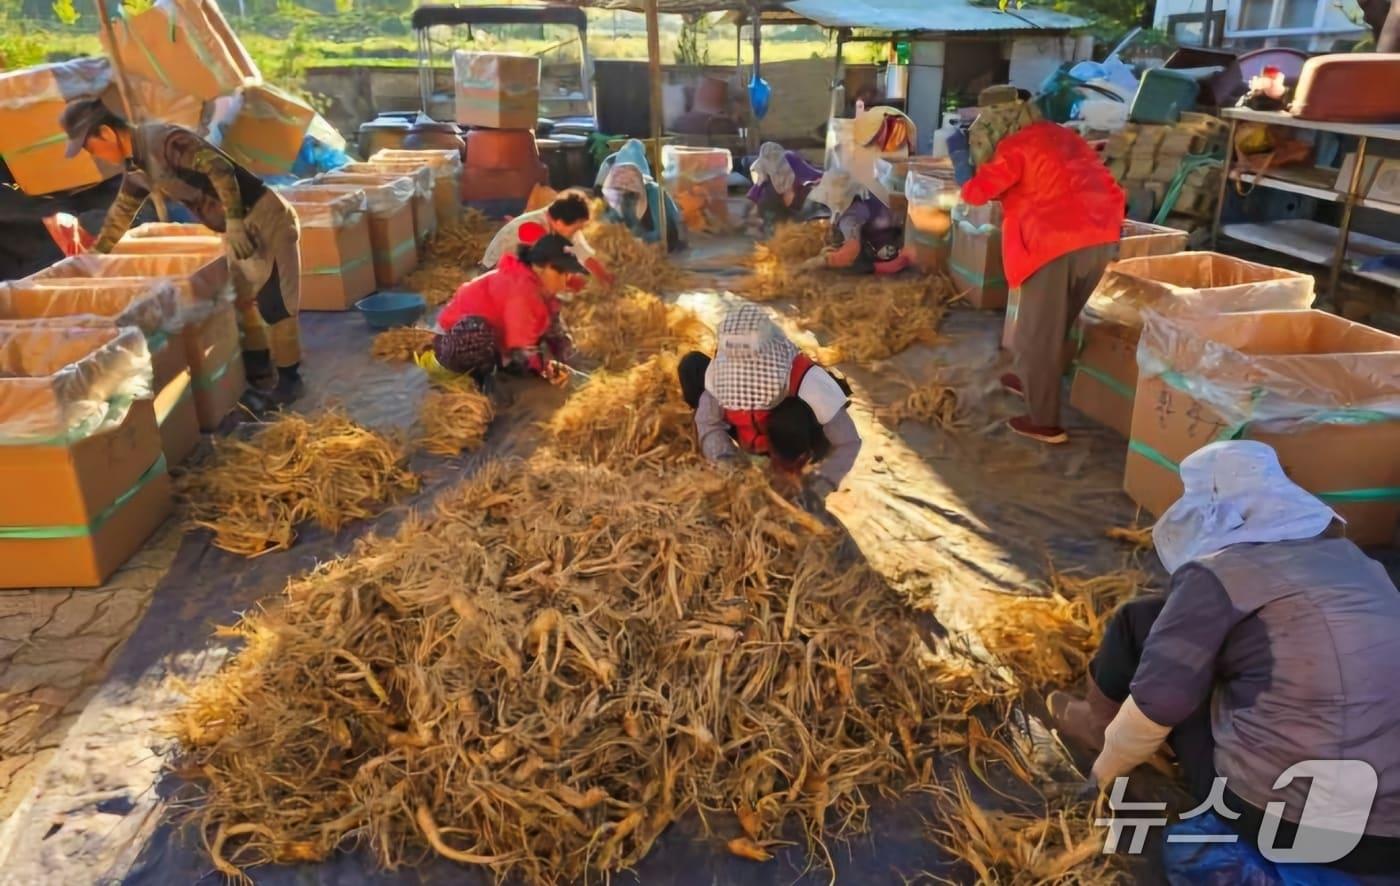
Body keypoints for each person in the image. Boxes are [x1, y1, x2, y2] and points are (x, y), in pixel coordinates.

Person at [1049, 441, 1400, 875]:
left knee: (1155, 652)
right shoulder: (1358, 563)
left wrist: (1100, 777)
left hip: (1286, 820)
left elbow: (1156, 709)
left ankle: (1096, 726)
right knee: (1154, 622)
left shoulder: (1218, 575)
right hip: (1391, 835)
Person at [61, 97, 304, 411]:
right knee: (244, 300)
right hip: (235, 227)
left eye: (90, 148)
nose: (95, 156)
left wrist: (233, 221)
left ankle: (290, 382)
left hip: (261, 217)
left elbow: (220, 168)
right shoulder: (136, 166)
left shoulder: (165, 142)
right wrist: (94, 258)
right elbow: (122, 212)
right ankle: (260, 375)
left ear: (106, 133)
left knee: (274, 303)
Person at [951, 86, 1124, 445]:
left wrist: (962, 168)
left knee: (1034, 335)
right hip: (1103, 237)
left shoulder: (1015, 147)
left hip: (1054, 243)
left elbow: (978, 192)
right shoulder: (1063, 135)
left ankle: (1045, 422)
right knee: (1056, 324)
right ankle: (1032, 380)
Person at [679, 305, 860, 505]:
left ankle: (788, 472)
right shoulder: (720, 375)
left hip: (791, 439)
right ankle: (735, 453)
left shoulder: (807, 378)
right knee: (692, 366)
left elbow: (848, 442)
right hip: (746, 434)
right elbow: (709, 422)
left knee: (789, 420)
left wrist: (823, 481)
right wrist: (724, 460)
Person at [433, 233, 586, 387]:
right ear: (542, 267)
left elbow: (554, 331)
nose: (566, 280)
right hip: (452, 340)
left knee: (543, 330)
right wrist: (542, 369)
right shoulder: (520, 290)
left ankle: (502, 367)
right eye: (562, 273)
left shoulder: (542, 290)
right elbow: (521, 346)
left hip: (496, 341)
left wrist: (565, 357)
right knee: (479, 332)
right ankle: (481, 382)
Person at [479, 190, 614, 286]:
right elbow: (538, 270)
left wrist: (603, 277)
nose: (578, 232)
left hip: (520, 271)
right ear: (560, 223)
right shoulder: (532, 228)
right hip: (494, 273)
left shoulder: (562, 222)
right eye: (576, 228)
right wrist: (569, 282)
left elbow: (582, 252)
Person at [801, 168, 910, 275]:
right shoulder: (866, 196)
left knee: (846, 267)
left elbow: (850, 253)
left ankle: (875, 267)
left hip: (889, 257)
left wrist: (824, 261)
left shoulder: (849, 219)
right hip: (898, 234)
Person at [595, 139, 685, 251]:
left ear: (643, 181)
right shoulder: (609, 199)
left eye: (632, 174)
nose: (626, 181)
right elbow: (602, 234)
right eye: (621, 174)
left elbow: (671, 233)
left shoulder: (656, 195)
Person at [746, 141, 822, 234]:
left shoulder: (785, 160)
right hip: (781, 212)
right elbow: (756, 191)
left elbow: (754, 194)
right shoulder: (767, 169)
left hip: (782, 211)